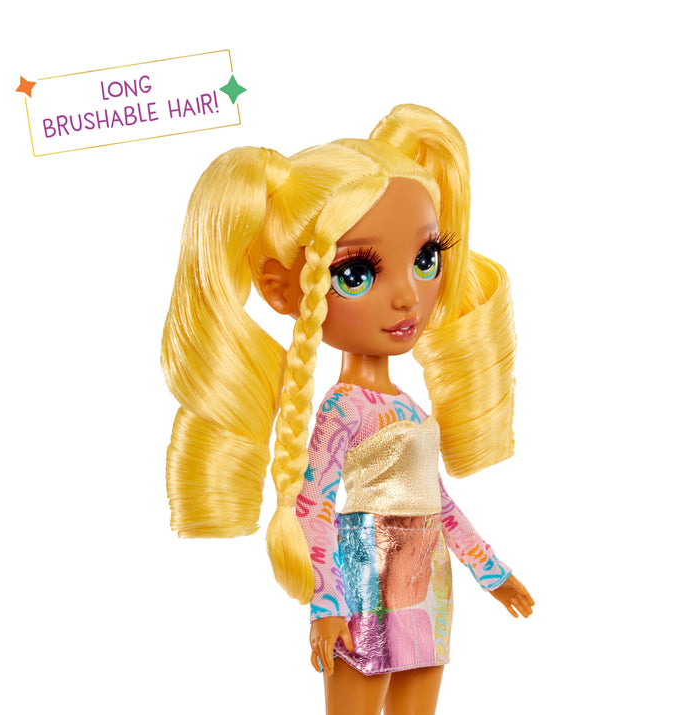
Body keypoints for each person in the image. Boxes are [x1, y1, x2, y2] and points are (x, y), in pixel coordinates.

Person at [162, 104, 534, 714]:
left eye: (426, 259)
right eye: (357, 273)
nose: (407, 296)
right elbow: (311, 508)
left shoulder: (408, 407)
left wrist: (492, 572)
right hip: (366, 578)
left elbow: (439, 503)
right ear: (283, 289)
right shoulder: (344, 409)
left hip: (429, 580)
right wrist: (326, 606)